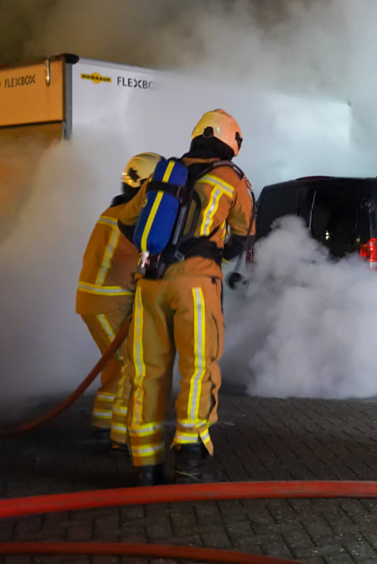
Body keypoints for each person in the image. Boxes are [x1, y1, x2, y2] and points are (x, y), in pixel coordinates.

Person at [119, 110, 254, 485]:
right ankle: (190, 463)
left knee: (146, 371)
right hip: (196, 285)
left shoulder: (163, 174)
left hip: (149, 283)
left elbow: (126, 220)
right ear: (229, 141)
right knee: (198, 369)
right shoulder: (231, 177)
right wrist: (214, 256)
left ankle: (145, 466)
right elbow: (243, 234)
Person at [75, 152, 161, 454]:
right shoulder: (132, 217)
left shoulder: (114, 211)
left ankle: (103, 423)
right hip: (108, 301)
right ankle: (122, 435)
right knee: (133, 365)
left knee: (116, 362)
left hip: (97, 299)